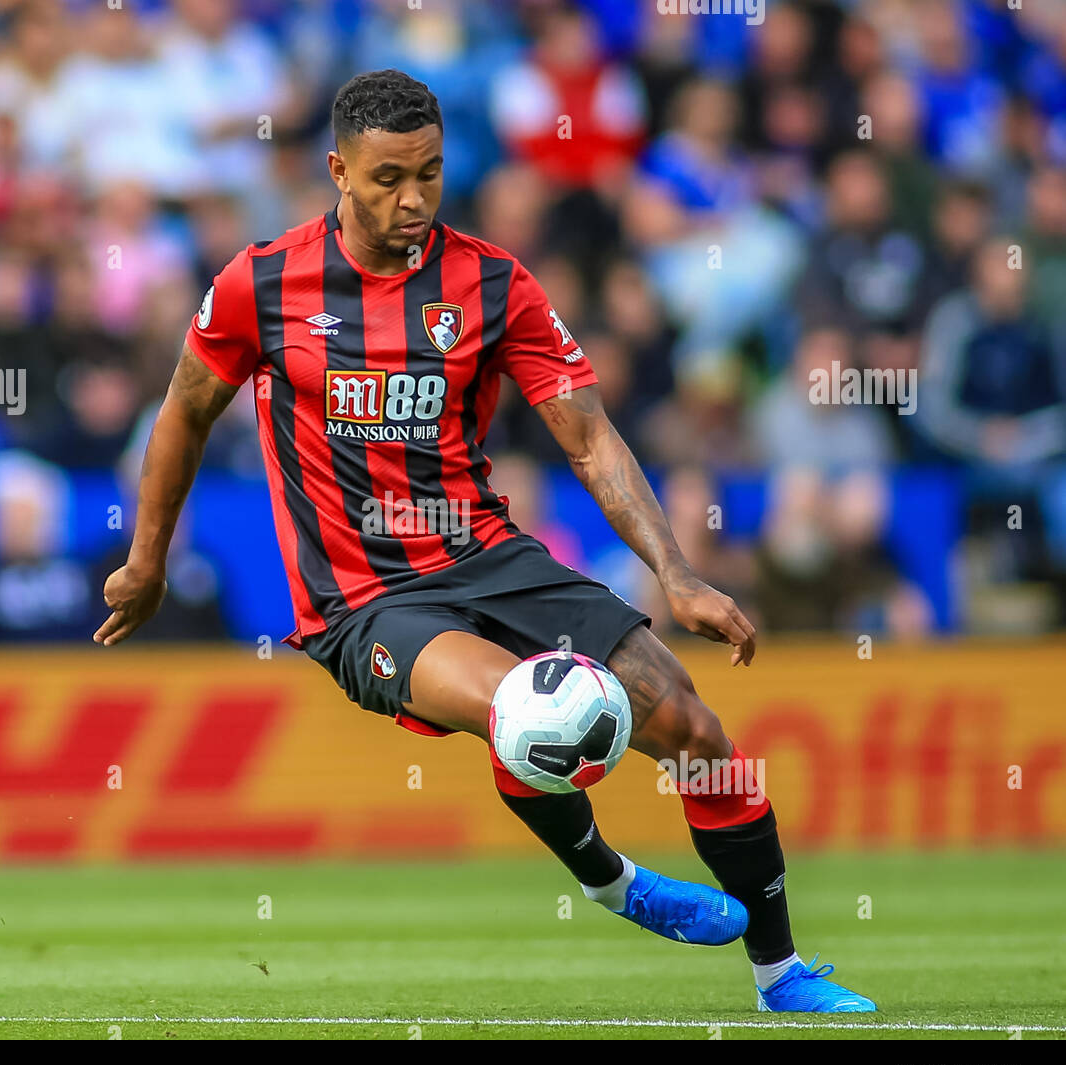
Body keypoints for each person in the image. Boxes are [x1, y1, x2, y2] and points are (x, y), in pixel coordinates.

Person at [95, 70, 873, 1013]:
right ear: (338, 169)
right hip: (364, 598)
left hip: (489, 555)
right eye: (386, 178)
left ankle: (780, 974)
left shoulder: (493, 283)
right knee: (527, 711)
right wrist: (147, 561)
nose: (412, 198)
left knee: (697, 731)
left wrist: (677, 574)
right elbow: (182, 412)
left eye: (428, 173)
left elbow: (587, 436)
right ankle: (611, 879)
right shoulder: (260, 284)